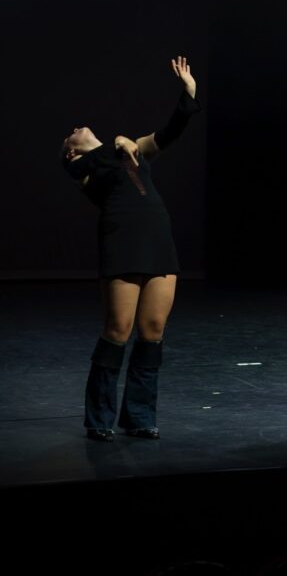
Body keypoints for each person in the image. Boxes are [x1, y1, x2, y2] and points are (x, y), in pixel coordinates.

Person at [60, 56, 201, 441]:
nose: (76, 128)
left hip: (158, 239)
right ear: (72, 152)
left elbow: (169, 133)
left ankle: (139, 416)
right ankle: (99, 417)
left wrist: (188, 94)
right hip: (122, 241)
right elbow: (85, 166)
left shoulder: (129, 148)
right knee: (118, 329)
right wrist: (118, 143)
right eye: (71, 135)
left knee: (153, 330)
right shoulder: (83, 169)